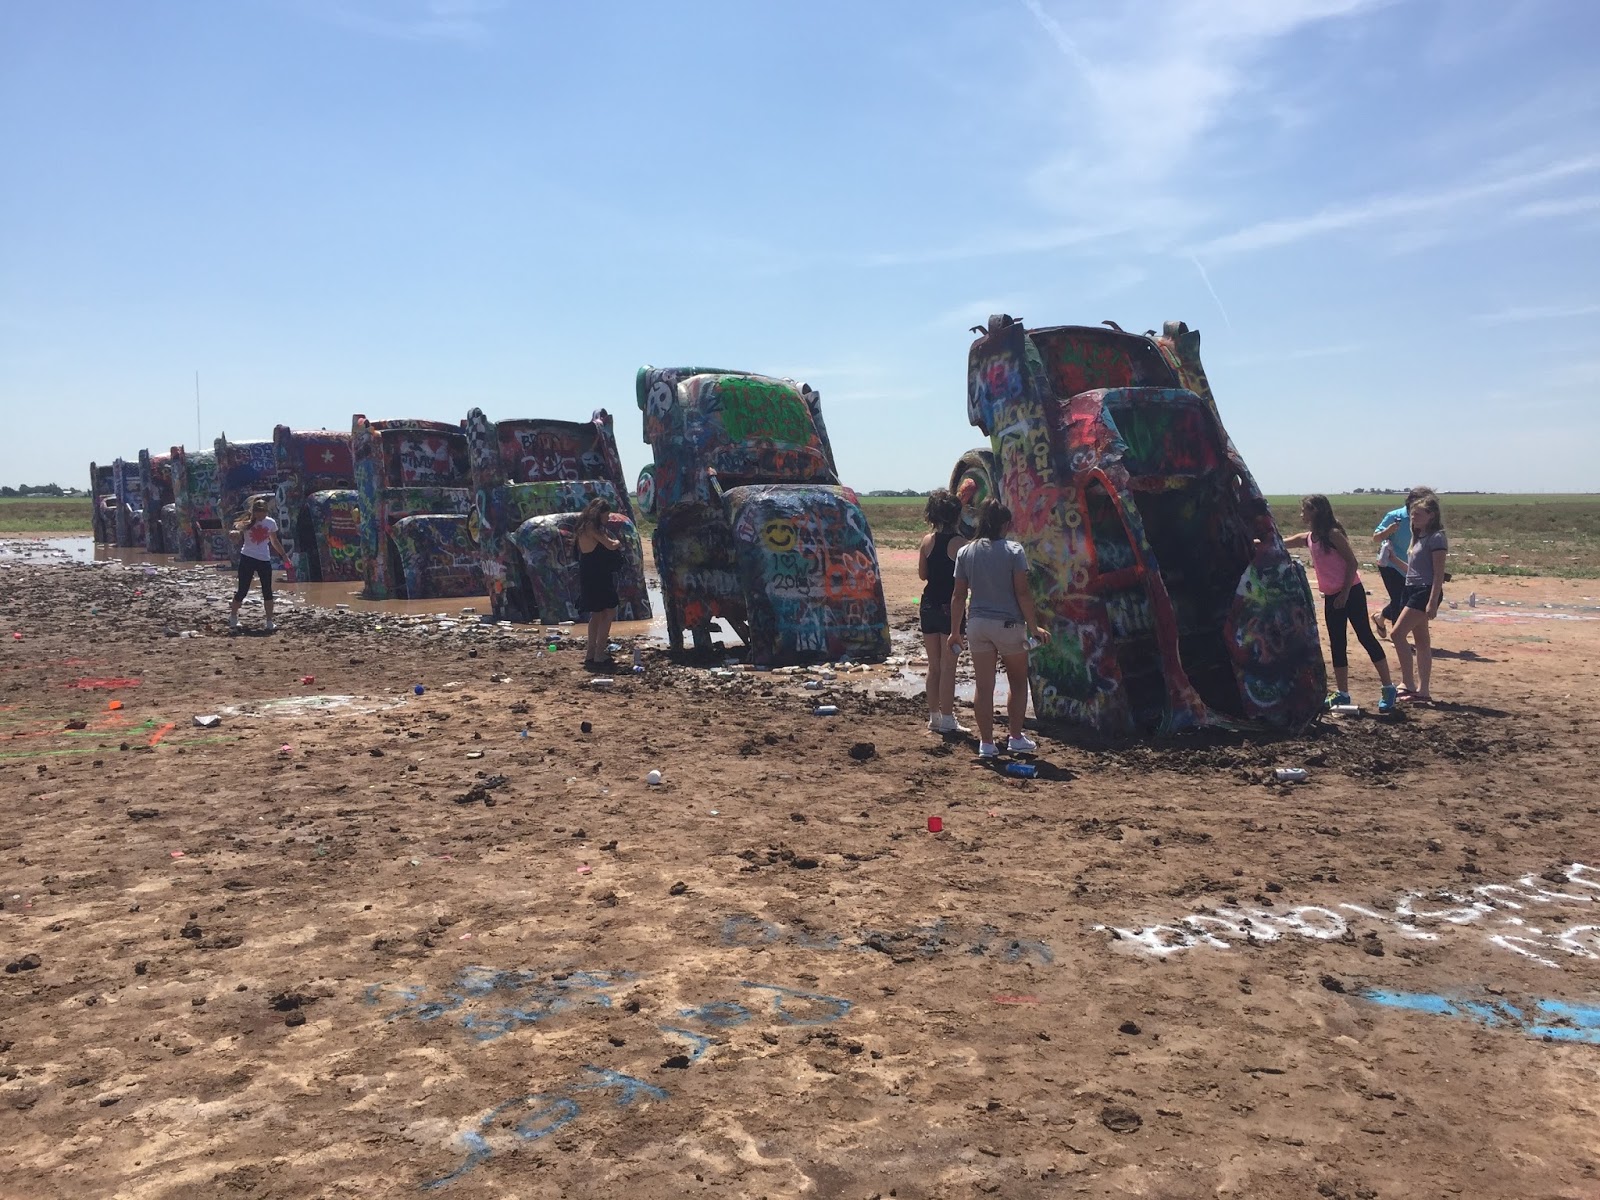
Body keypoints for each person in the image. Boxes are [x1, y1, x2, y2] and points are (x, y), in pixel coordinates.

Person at [948, 499, 1050, 759]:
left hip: (977, 625)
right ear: (1004, 524)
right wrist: (1033, 626)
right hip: (1008, 625)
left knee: (984, 687)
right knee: (1017, 682)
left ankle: (986, 743)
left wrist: (955, 631)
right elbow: (1022, 593)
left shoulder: (965, 553)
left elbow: (958, 597)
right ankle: (1015, 737)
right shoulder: (1014, 551)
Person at [1284, 495, 1399, 715]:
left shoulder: (1333, 534)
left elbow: (1352, 562)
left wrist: (1345, 592)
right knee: (1337, 643)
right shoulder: (1310, 537)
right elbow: (1281, 542)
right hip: (1331, 596)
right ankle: (1343, 693)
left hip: (1350, 593)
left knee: (1365, 636)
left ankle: (1388, 688)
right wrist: (1255, 540)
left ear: (1316, 511)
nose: (1301, 514)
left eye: (1304, 510)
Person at [917, 489, 969, 734]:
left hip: (928, 605)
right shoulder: (960, 544)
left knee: (933, 666)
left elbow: (923, 575)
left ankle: (934, 717)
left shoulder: (927, 541)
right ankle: (948, 718)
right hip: (951, 608)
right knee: (949, 666)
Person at [1390, 493, 1447, 703]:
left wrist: (1432, 601)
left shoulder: (1437, 537)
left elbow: (1438, 573)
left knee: (1397, 634)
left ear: (1431, 515)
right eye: (1412, 514)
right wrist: (1394, 560)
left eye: (1418, 514)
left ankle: (1409, 683)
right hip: (1411, 588)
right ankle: (1423, 691)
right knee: (1422, 642)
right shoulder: (1418, 536)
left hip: (1424, 591)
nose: (1413, 517)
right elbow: (1413, 570)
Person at [1370, 486, 1432, 637]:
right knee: (1399, 598)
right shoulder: (1395, 516)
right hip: (1390, 564)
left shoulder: (1427, 518)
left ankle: (1381, 617)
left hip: (1411, 566)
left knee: (1406, 599)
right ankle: (1398, 637)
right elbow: (1376, 538)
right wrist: (1389, 530)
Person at [575, 498, 622, 671]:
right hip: (598, 575)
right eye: (606, 515)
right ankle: (600, 653)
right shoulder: (591, 528)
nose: (608, 518)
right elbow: (610, 545)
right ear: (599, 513)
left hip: (589, 572)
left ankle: (591, 653)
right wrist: (617, 542)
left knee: (596, 613)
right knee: (609, 611)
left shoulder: (583, 527)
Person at [228, 498, 288, 633]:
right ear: (253, 512)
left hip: (264, 559)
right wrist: (234, 535)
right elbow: (237, 533)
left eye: (263, 512)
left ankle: (269, 621)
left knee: (267, 591)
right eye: (258, 512)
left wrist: (284, 556)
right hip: (247, 558)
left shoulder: (271, 523)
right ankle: (232, 616)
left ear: (267, 512)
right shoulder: (246, 523)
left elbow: (274, 541)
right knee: (242, 590)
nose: (261, 515)